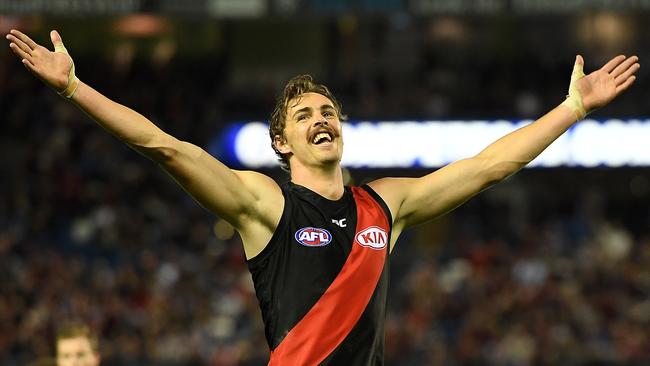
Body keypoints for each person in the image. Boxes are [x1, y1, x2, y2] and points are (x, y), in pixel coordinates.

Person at [5, 29, 639, 365]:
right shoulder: (264, 205)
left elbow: (489, 166)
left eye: (329, 109)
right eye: (305, 112)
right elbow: (167, 148)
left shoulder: (386, 206)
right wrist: (75, 89)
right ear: (282, 141)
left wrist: (573, 108)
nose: (322, 116)